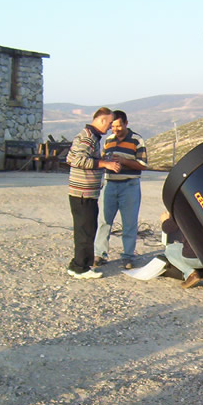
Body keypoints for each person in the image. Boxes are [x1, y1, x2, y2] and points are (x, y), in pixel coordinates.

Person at [65, 107, 121, 279]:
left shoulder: (85, 135)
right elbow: (77, 160)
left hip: (80, 192)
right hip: (83, 193)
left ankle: (77, 264)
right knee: (86, 230)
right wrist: (104, 164)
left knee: (84, 229)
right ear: (102, 120)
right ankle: (81, 268)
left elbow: (69, 157)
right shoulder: (88, 138)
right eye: (110, 123)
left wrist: (100, 161)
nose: (110, 127)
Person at [93, 110, 147, 269]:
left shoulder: (137, 140)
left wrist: (124, 161)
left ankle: (128, 256)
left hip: (129, 186)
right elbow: (103, 160)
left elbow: (143, 165)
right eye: (113, 126)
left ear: (126, 123)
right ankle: (100, 254)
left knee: (129, 223)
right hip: (110, 185)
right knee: (104, 221)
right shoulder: (108, 140)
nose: (115, 129)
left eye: (118, 126)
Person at [160, 211, 203, 288]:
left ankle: (191, 273)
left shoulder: (182, 206)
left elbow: (168, 228)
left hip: (192, 258)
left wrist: (165, 220)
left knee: (169, 250)